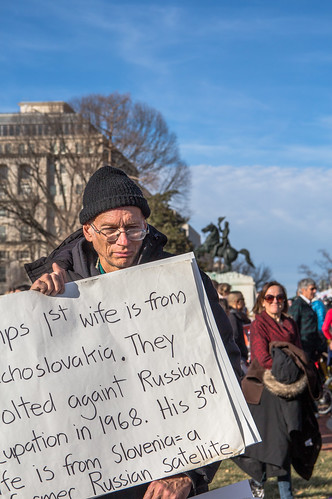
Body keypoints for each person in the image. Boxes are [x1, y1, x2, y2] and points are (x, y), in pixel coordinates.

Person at [26, 165, 241, 499]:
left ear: (146, 225)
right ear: (88, 230)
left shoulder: (184, 283)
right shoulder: (56, 290)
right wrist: (37, 309)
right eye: (110, 230)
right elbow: (31, 389)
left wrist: (192, 473)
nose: (123, 241)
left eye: (134, 228)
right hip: (81, 475)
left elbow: (225, 372)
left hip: (164, 477)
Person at [233, 281, 321, 499]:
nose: (275, 301)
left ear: (285, 301)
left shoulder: (290, 323)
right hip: (265, 394)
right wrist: (288, 369)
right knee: (268, 449)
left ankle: (284, 494)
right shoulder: (259, 323)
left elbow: (299, 352)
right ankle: (257, 487)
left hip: (290, 393)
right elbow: (263, 357)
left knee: (286, 447)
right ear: (263, 301)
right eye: (270, 297)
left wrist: (293, 373)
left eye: (279, 297)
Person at [289, 278, 325, 362]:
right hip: (303, 349)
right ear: (303, 290)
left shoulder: (307, 305)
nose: (315, 291)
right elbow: (292, 327)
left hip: (311, 349)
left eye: (315, 288)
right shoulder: (298, 305)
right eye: (312, 289)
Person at [226, 291, 250, 374]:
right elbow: (235, 337)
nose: (244, 303)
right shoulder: (233, 317)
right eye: (243, 300)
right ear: (237, 302)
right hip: (239, 358)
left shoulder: (237, 316)